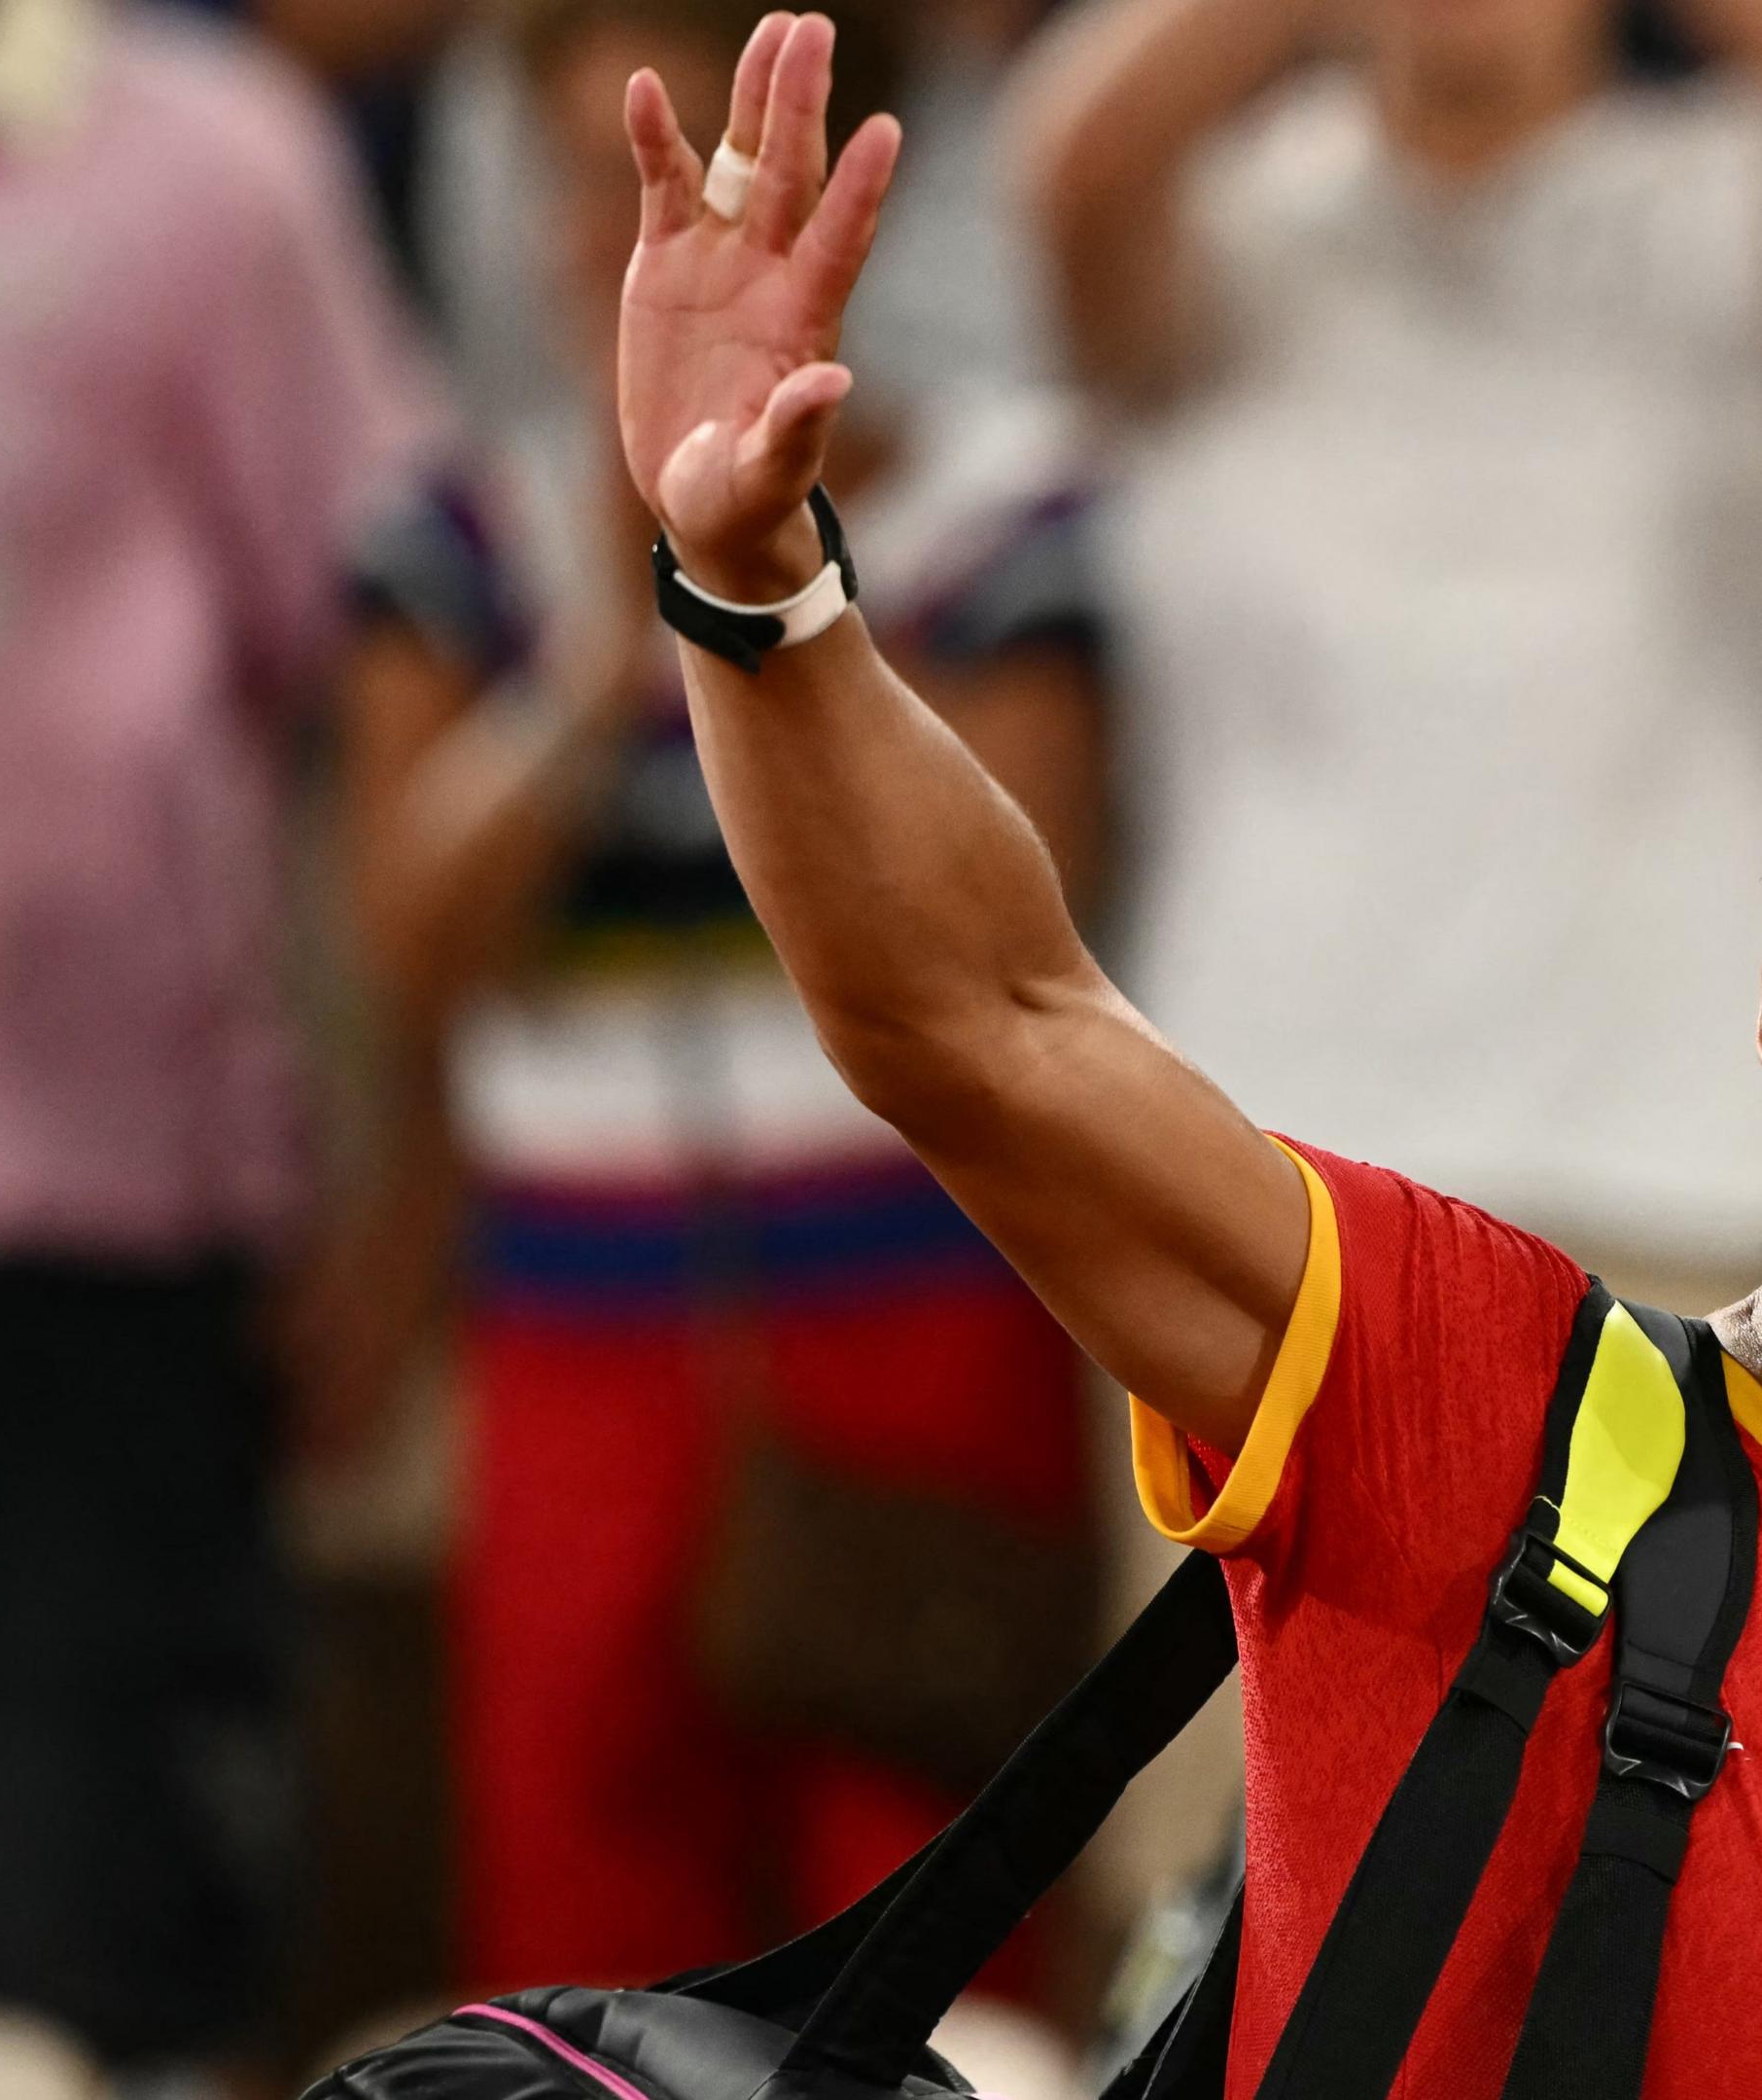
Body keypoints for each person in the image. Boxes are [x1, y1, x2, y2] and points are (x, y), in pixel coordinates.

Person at [604, 16, 1762, 2091]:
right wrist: (759, 588)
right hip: (1383, 1167)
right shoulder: (1445, 1397)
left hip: (1638, 1154)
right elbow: (978, 1019)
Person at [338, 0, 1109, 1996]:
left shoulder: (998, 516)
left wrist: (759, 584)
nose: (626, 230)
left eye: (688, 175)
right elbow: (407, 940)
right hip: (578, 1312)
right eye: (588, 176)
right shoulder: (457, 536)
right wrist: (611, 643)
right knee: (586, 1921)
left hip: (936, 1287)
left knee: (953, 1918)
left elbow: (1019, 924)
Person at [0, 0, 435, 2077]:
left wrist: (411, 1181)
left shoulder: (208, 168)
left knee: (97, 2006)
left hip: (76, 1275)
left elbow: (403, 644)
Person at [1013, 0, 1762, 1300]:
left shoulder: (1731, 200)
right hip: (1265, 1163)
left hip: (1681, 1150)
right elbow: (1070, 159)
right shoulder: (1226, 231)